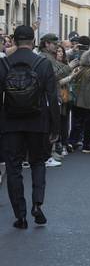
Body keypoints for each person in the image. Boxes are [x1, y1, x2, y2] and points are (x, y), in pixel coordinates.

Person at [0, 25, 60, 229]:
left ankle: (21, 215)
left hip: (10, 123)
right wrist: (55, 127)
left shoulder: (5, 64)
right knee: (38, 163)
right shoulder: (43, 64)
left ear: (14, 42)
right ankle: (37, 204)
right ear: (33, 41)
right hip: (38, 121)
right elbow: (53, 98)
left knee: (13, 168)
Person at [68, 51, 90, 153]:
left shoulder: (78, 69)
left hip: (76, 100)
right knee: (89, 124)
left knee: (76, 123)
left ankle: (72, 141)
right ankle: (87, 145)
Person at [38, 33, 64, 167]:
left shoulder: (47, 56)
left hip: (49, 94)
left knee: (49, 125)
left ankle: (47, 155)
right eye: (54, 44)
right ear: (47, 44)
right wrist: (70, 66)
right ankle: (46, 156)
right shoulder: (45, 57)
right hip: (47, 96)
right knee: (48, 126)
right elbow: (55, 75)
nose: (56, 46)